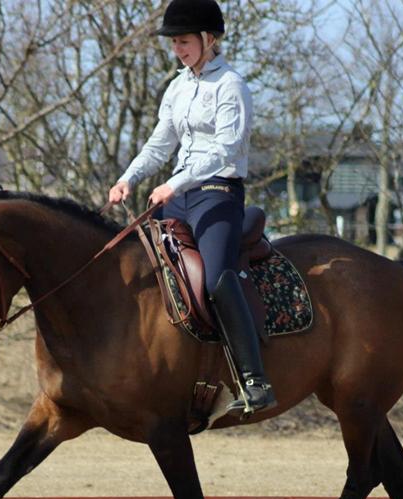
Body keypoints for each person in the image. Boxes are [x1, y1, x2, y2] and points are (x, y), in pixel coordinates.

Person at [107, 0, 276, 416]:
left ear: (208, 39)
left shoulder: (231, 86)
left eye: (183, 41)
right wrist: (129, 177)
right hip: (176, 195)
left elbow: (225, 149)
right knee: (139, 266)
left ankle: (254, 380)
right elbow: (160, 142)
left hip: (217, 193)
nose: (178, 49)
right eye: (175, 43)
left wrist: (173, 183)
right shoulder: (178, 86)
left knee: (216, 278)